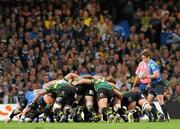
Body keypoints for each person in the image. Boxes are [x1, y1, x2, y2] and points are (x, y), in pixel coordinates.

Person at [139, 49, 169, 121]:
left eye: (143, 58)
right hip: (153, 84)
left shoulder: (152, 64)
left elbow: (156, 75)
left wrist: (146, 76)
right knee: (149, 102)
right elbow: (151, 75)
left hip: (158, 84)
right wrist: (149, 83)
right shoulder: (148, 64)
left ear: (148, 57)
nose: (143, 60)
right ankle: (156, 117)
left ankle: (166, 118)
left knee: (160, 100)